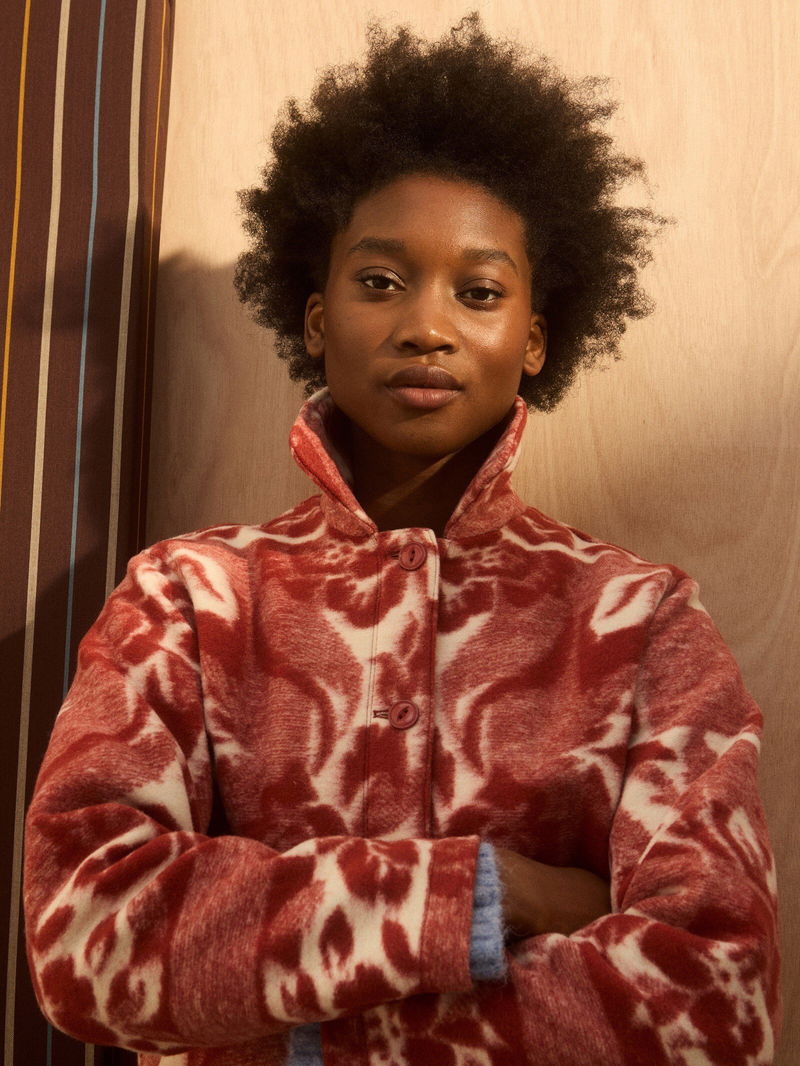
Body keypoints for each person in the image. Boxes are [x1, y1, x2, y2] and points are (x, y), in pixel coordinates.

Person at [24, 14, 781, 1066]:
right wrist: (494, 893)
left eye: (479, 292)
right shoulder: (186, 600)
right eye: (380, 281)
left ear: (533, 338)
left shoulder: (642, 622)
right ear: (315, 317)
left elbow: (713, 1007)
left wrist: (290, 1033)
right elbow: (87, 941)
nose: (426, 325)